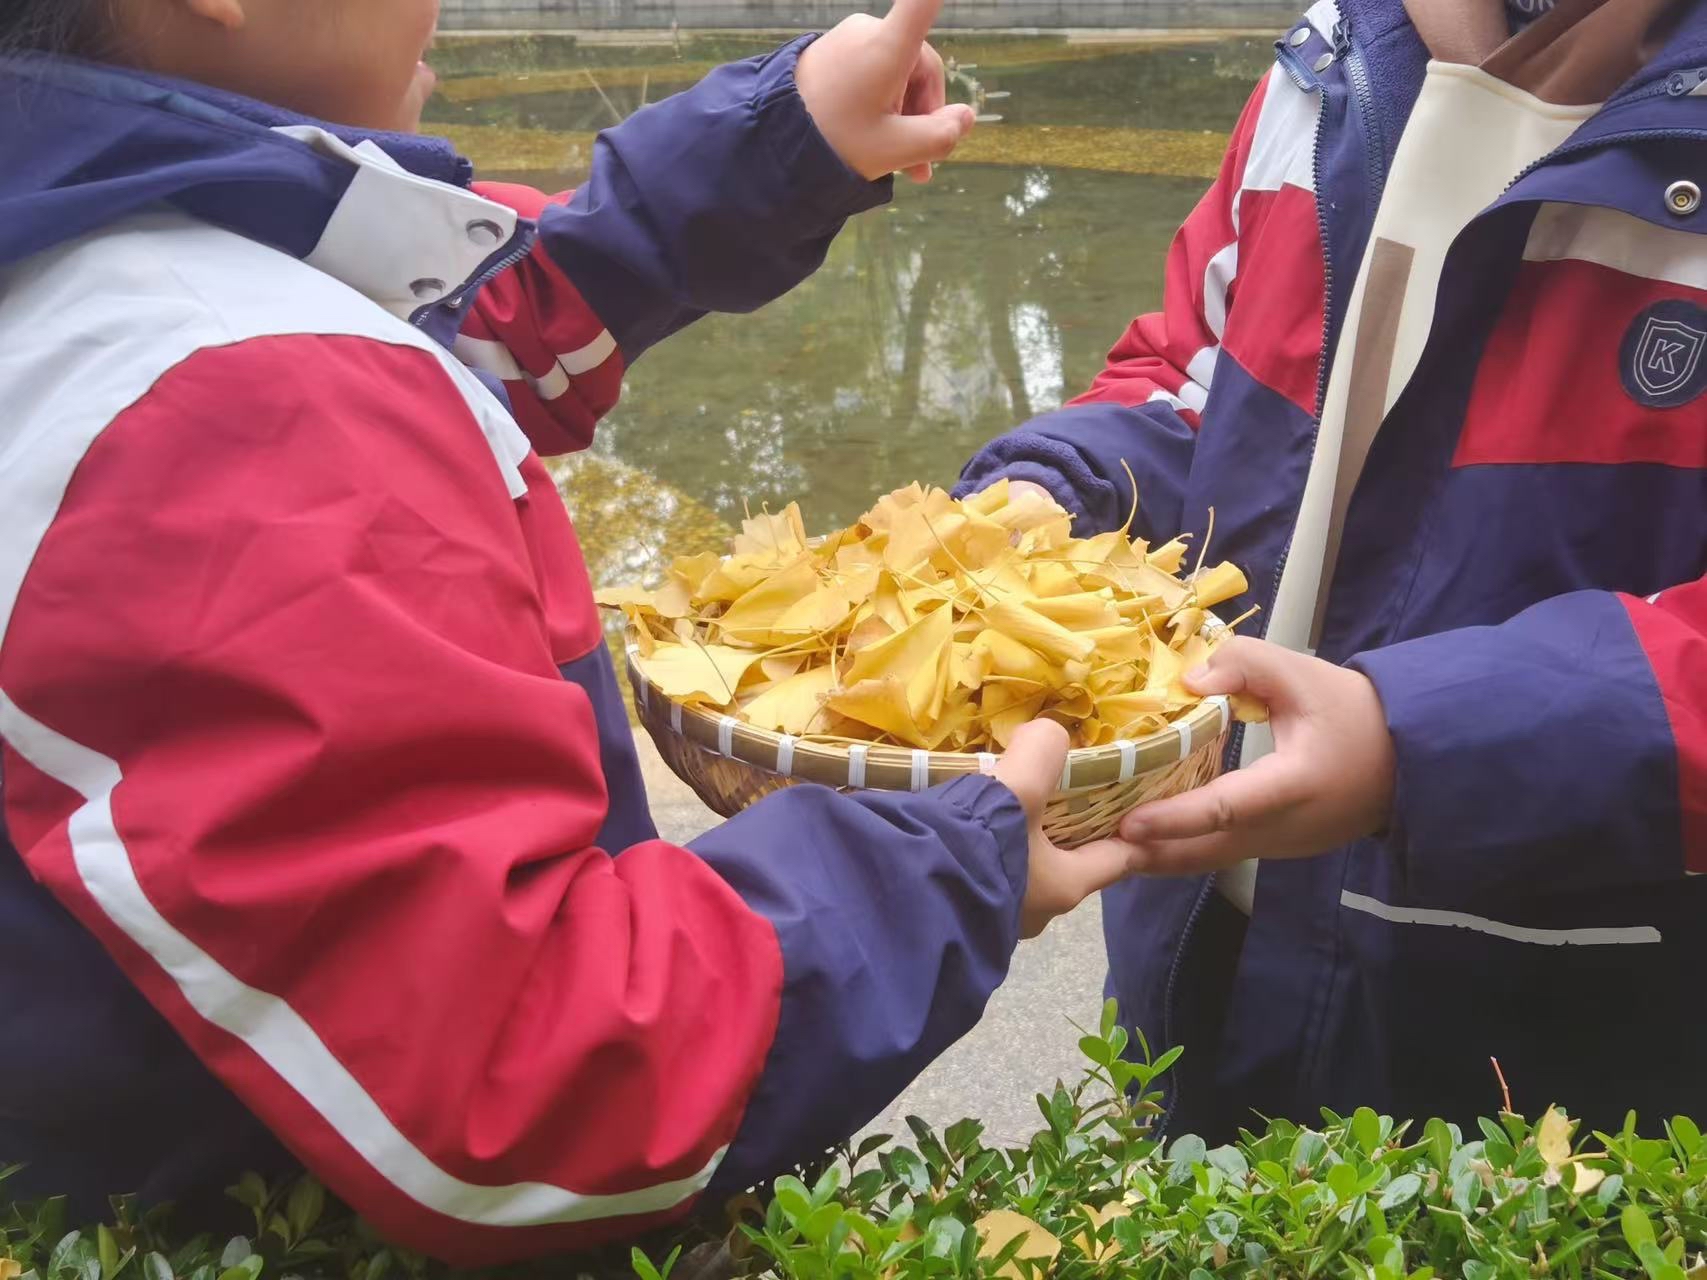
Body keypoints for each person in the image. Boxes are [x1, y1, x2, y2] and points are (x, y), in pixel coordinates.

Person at [0, 0, 1145, 1262]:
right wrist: (950, 866)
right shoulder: (238, 408)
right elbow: (528, 1071)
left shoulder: (99, 240)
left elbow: (458, 321)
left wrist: (784, 145)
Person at [961, 0, 1707, 1141]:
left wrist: (1419, 742)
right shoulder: (1329, 60)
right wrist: (1058, 493)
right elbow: (1195, 372)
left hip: (1557, 1038)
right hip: (1197, 952)